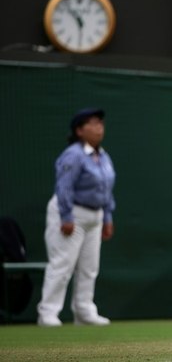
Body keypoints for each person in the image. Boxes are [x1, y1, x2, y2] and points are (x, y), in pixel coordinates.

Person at [37, 108, 115, 327]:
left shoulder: (104, 156)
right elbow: (64, 186)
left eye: (101, 123)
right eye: (93, 123)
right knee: (62, 264)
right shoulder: (73, 154)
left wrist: (107, 217)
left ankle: (84, 311)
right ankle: (48, 313)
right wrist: (66, 216)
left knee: (90, 267)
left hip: (95, 216)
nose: (99, 127)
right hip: (72, 213)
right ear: (80, 130)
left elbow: (107, 189)